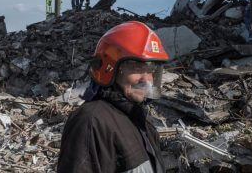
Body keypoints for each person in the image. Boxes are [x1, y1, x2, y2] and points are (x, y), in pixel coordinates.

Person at [57, 21, 169, 173]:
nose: (146, 79)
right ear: (109, 69)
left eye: (150, 70)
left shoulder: (141, 120)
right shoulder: (90, 121)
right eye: (136, 68)